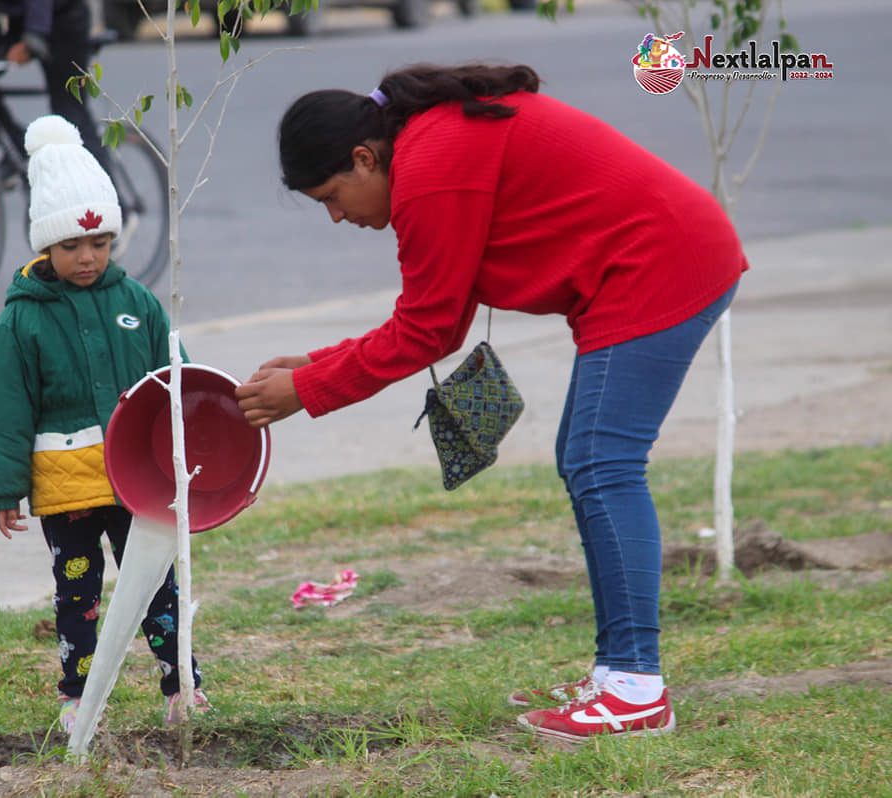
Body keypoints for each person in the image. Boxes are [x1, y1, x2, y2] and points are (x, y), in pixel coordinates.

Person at [235, 63, 745, 742]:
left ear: (365, 157)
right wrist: (321, 363)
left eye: (332, 195)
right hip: (649, 262)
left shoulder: (432, 169)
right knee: (589, 460)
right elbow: (435, 316)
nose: (336, 216)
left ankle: (635, 688)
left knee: (602, 464)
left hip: (661, 262)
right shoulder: (430, 146)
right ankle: (618, 675)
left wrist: (305, 391)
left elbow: (428, 329)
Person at [0, 114, 208, 734]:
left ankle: (180, 683)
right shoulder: (20, 322)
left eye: (100, 242)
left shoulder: (138, 303)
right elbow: (6, 410)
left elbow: (175, 379)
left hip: (138, 481)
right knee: (76, 597)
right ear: (44, 247)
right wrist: (5, 487)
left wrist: (193, 443)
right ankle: (78, 695)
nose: (88, 257)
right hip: (67, 488)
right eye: (72, 246)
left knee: (157, 585)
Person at [0, 0, 110, 184]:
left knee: (70, 111)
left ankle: (111, 203)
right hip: (12, 15)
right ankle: (20, 148)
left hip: (60, 17)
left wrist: (34, 34)